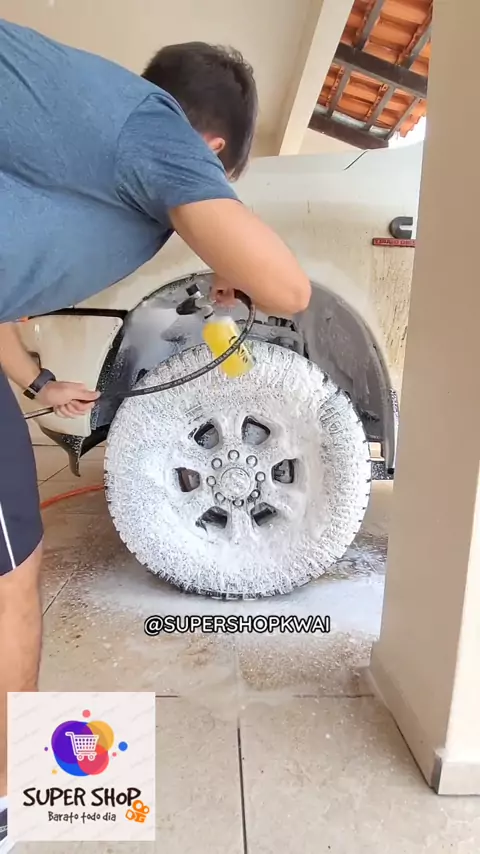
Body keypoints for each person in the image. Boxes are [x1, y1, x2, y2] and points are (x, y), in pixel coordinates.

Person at [0, 17, 311, 851]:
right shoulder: (155, 127)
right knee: (10, 580)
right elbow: (288, 288)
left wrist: (37, 383)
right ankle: (8, 806)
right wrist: (231, 248)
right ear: (211, 148)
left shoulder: (79, 111)